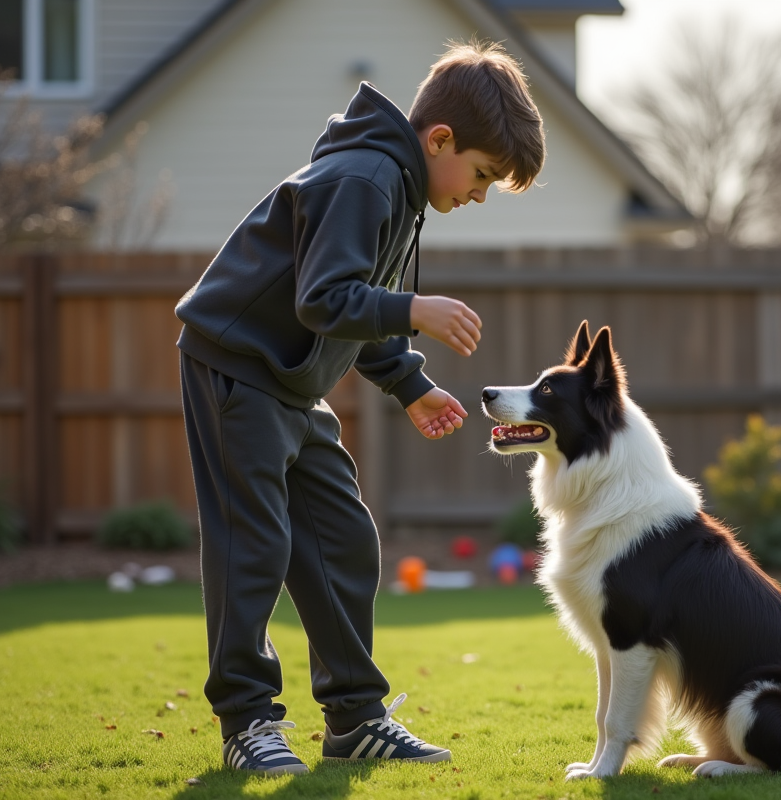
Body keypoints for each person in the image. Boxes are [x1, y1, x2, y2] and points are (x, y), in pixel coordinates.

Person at [175, 40, 546, 774]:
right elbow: (324, 298)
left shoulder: (399, 189)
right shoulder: (365, 178)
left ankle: (354, 720)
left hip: (291, 382)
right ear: (438, 139)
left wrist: (410, 384)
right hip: (237, 365)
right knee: (255, 546)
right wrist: (415, 309)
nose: (477, 195)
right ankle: (247, 721)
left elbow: (349, 311)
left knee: (343, 537)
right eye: (480, 176)